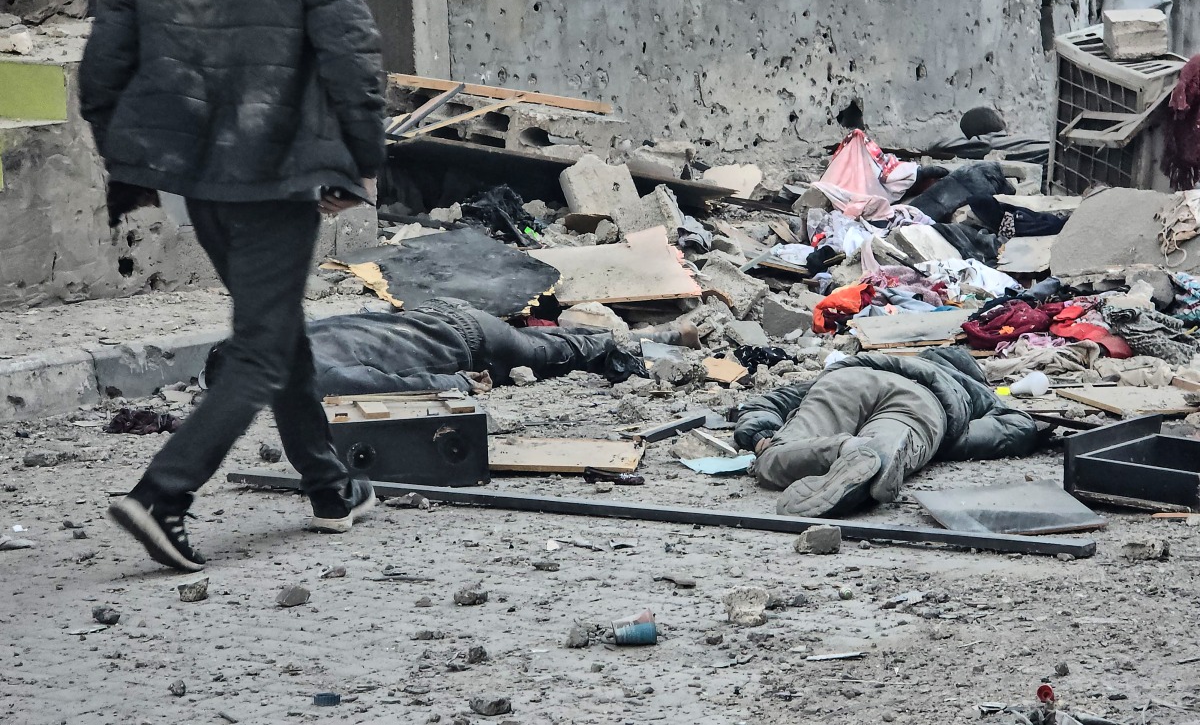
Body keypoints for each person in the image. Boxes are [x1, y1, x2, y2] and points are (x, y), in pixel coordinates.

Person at [80, 0, 385, 572]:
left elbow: (100, 77)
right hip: (277, 184)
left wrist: (141, 155)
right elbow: (353, 60)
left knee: (274, 333)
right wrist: (360, 163)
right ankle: (162, 494)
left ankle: (329, 487)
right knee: (261, 350)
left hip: (201, 186)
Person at [733, 347, 1038, 517]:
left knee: (772, 458)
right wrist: (945, 444)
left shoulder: (884, 359)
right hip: (924, 404)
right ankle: (878, 452)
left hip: (854, 379)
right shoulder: (969, 388)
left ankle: (845, 450)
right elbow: (1019, 427)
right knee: (888, 452)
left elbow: (765, 402)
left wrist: (760, 434)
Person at [203, 298, 702, 397]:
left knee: (567, 354)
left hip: (468, 346)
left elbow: (387, 385)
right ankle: (665, 337)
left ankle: (655, 344)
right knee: (546, 343)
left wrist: (456, 382)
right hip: (448, 316)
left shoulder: (308, 375)